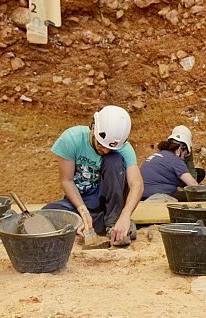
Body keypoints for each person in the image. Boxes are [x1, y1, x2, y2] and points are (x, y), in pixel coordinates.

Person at [44, 105, 144, 246]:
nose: (105, 150)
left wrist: (125, 216)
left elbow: (137, 185)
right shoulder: (71, 139)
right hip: (80, 200)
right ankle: (89, 223)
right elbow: (66, 181)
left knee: (113, 160)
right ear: (93, 127)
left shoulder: (123, 148)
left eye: (111, 148)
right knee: (48, 213)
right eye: (101, 144)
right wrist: (83, 212)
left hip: (106, 202)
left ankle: (113, 224)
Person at [141, 129, 199, 201]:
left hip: (142, 194)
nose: (184, 158)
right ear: (180, 149)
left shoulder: (159, 154)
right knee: (193, 197)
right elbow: (193, 185)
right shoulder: (175, 159)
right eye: (185, 154)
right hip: (157, 195)